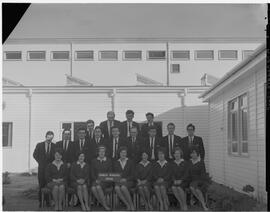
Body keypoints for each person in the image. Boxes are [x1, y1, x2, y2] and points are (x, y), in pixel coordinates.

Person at [33, 131, 56, 207]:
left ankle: (48, 202)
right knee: (41, 185)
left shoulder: (54, 146)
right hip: (41, 169)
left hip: (50, 170)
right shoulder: (39, 145)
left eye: (51, 137)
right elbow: (35, 154)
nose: (50, 138)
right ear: (46, 136)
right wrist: (40, 162)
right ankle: (41, 202)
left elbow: (55, 157)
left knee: (48, 185)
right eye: (49, 136)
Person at [91, 145, 113, 211]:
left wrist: (101, 179)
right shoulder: (94, 161)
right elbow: (92, 173)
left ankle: (105, 205)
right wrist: (96, 179)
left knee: (97, 187)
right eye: (100, 151)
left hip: (106, 180)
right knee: (93, 188)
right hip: (96, 180)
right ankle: (104, 204)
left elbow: (110, 173)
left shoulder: (109, 161)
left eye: (103, 151)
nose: (102, 153)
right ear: (98, 152)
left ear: (105, 152)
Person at [113, 146, 135, 211]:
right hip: (119, 181)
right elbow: (114, 174)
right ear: (119, 154)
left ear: (126, 153)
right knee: (116, 188)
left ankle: (131, 204)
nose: (123, 154)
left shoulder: (131, 162)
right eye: (122, 153)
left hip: (129, 181)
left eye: (124, 153)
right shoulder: (116, 162)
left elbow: (133, 175)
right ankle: (127, 204)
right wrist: (119, 179)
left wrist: (126, 179)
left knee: (123, 187)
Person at [189, 146, 209, 211]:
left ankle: (203, 205)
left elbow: (203, 174)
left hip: (200, 180)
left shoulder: (201, 162)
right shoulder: (189, 162)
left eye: (194, 153)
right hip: (192, 180)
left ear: (197, 153)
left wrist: (200, 181)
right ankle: (203, 203)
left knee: (196, 189)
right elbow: (188, 173)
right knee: (193, 188)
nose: (193, 154)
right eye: (191, 153)